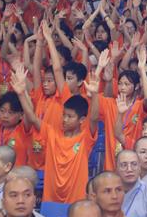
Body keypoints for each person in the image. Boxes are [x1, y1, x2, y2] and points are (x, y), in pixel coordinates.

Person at [11, 66, 99, 203]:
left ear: (82, 120)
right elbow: (32, 118)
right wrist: (21, 93)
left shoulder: (85, 138)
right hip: (50, 199)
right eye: (64, 115)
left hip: (76, 201)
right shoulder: (52, 133)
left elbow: (93, 118)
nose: (65, 119)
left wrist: (95, 95)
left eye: (70, 116)